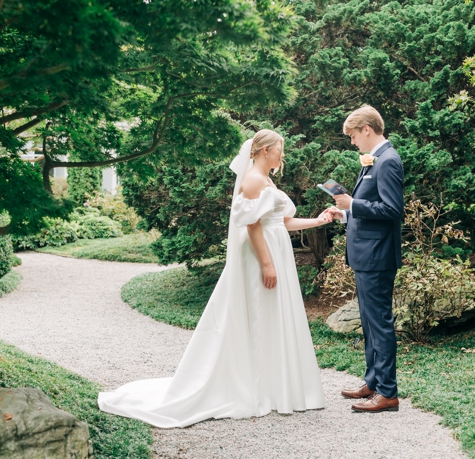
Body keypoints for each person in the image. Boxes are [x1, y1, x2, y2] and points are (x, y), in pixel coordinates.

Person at [98, 130, 332, 427]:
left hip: (276, 250)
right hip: (263, 255)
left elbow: (282, 222)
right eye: (279, 150)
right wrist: (266, 264)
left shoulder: (268, 180)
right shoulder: (253, 180)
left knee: (274, 315)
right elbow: (252, 226)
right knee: (260, 315)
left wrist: (320, 220)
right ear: (264, 150)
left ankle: (275, 388)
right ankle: (256, 386)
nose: (282, 156)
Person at [326, 105, 405, 413]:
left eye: (353, 135)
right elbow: (371, 207)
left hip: (378, 257)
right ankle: (373, 382)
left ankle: (388, 393)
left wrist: (353, 203)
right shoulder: (375, 160)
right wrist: (345, 212)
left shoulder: (388, 161)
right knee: (370, 325)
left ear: (367, 130)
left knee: (380, 324)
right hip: (366, 255)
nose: (352, 142)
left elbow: (392, 211)